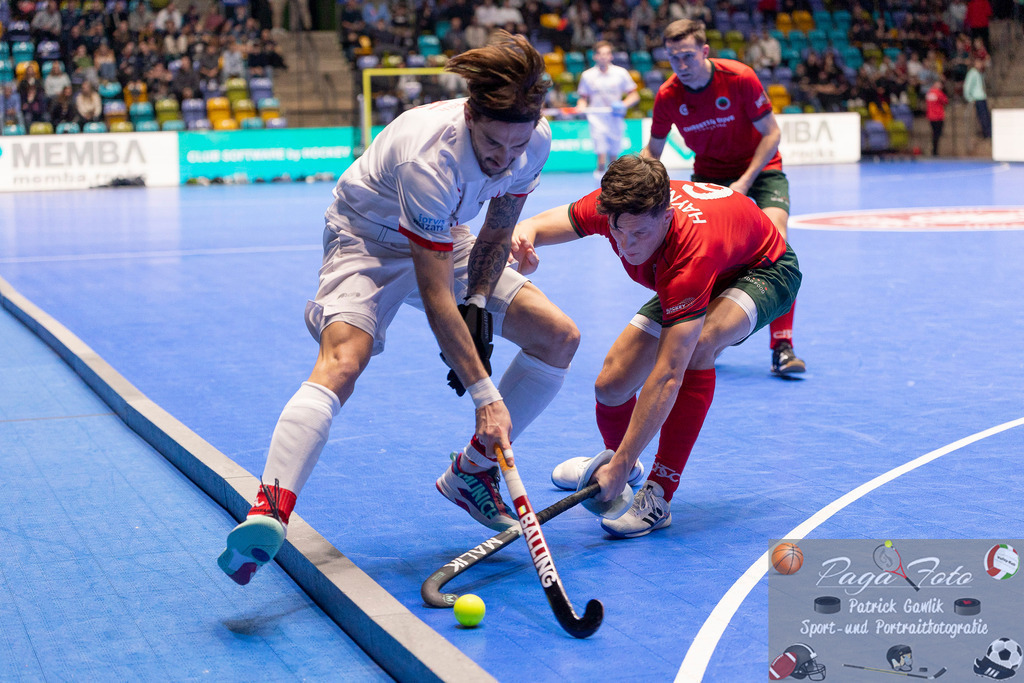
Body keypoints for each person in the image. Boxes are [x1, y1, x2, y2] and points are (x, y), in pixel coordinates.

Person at [218, 31, 580, 585]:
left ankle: (471, 475)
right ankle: (269, 509)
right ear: (469, 116)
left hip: (448, 237)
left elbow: (494, 234)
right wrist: (485, 394)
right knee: (344, 360)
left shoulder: (533, 143)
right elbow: (435, 293)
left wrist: (479, 305)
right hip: (366, 237)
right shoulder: (429, 156)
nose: (503, 161)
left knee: (558, 335)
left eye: (515, 148)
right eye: (492, 148)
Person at [511, 154, 801, 537]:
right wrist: (523, 239)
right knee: (611, 383)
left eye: (640, 234)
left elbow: (667, 376)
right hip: (706, 264)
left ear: (666, 218)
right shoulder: (620, 208)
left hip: (763, 268)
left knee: (699, 346)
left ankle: (659, 493)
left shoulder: (690, 256)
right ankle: (622, 470)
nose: (627, 245)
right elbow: (538, 225)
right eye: (618, 231)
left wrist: (628, 455)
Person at [641, 19, 806, 376]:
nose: (681, 65)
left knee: (777, 243)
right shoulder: (669, 96)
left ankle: (782, 347)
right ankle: (705, 336)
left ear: (704, 51)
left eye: (687, 56)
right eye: (673, 58)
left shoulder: (740, 78)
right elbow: (651, 153)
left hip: (760, 171)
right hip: (710, 176)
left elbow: (772, 133)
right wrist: (633, 187)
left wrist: (745, 182)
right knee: (706, 257)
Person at [576, 41, 640, 180]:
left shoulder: (621, 73)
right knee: (600, 147)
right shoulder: (587, 75)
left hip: (616, 116)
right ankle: (599, 173)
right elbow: (583, 98)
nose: (604, 57)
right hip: (596, 116)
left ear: (611, 56)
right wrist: (581, 105)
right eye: (600, 54)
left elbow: (634, 95)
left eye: (607, 54)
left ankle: (612, 175)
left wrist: (623, 104)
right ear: (595, 57)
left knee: (614, 149)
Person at [963, 58, 990, 140]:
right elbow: (967, 87)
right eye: (979, 62)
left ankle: (988, 133)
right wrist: (970, 98)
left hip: (982, 97)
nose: (981, 64)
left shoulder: (979, 73)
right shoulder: (972, 73)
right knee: (983, 117)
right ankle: (987, 134)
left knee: (986, 117)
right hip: (978, 98)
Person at [924, 78, 948, 156]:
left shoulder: (929, 93)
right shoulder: (938, 93)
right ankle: (934, 151)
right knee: (937, 134)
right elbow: (946, 101)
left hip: (931, 116)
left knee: (935, 133)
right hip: (938, 116)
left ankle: (934, 150)